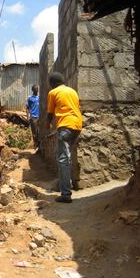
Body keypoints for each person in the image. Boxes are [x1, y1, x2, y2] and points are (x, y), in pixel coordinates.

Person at [46, 72, 82, 203]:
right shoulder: (72, 91)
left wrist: (47, 125)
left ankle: (66, 194)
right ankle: (68, 184)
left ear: (53, 84)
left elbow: (50, 113)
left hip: (65, 126)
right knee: (67, 158)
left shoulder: (53, 93)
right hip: (77, 125)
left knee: (62, 159)